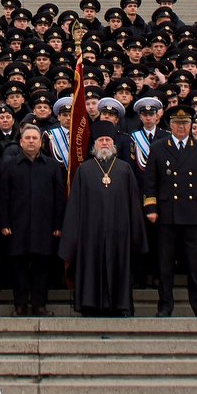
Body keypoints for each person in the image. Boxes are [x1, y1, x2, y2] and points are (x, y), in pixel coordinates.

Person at [145, 104, 197, 318]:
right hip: (167, 213)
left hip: (193, 213)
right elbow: (151, 181)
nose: (182, 127)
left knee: (195, 264)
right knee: (165, 264)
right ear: (170, 125)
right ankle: (165, 304)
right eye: (178, 123)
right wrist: (151, 207)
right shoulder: (159, 147)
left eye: (186, 123)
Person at [60, 131, 146, 316]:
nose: (105, 143)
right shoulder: (84, 170)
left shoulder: (124, 169)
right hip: (90, 232)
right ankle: (90, 305)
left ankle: (119, 305)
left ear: (114, 145)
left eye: (108, 140)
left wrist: (137, 234)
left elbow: (134, 204)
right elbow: (75, 204)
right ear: (94, 146)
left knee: (119, 266)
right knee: (90, 266)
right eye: (101, 140)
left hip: (119, 232)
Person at [0, 123, 67, 316]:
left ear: (40, 142)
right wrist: (4, 223)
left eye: (34, 138)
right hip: (17, 226)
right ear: (20, 142)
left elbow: (59, 198)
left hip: (44, 226)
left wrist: (58, 225)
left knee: (42, 267)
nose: (31, 141)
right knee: (18, 267)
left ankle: (39, 305)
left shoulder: (52, 166)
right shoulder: (10, 165)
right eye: (27, 138)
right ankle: (20, 305)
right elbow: (3, 197)